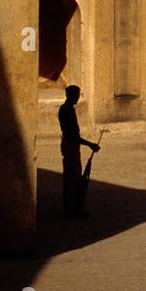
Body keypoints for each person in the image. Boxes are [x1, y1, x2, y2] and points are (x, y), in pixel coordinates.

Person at [58, 85, 100, 219]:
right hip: (70, 147)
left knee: (73, 178)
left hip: (71, 146)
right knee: (72, 179)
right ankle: (71, 209)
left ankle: (73, 207)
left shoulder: (67, 109)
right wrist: (90, 144)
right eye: (76, 95)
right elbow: (72, 136)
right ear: (70, 95)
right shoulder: (67, 111)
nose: (77, 98)